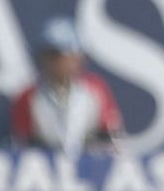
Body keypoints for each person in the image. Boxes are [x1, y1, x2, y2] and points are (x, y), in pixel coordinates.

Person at [9, 18, 126, 153]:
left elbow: (115, 141)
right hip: (45, 169)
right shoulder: (28, 96)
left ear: (78, 57)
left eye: (61, 55)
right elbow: (20, 147)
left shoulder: (95, 90)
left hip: (89, 167)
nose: (57, 63)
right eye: (50, 55)